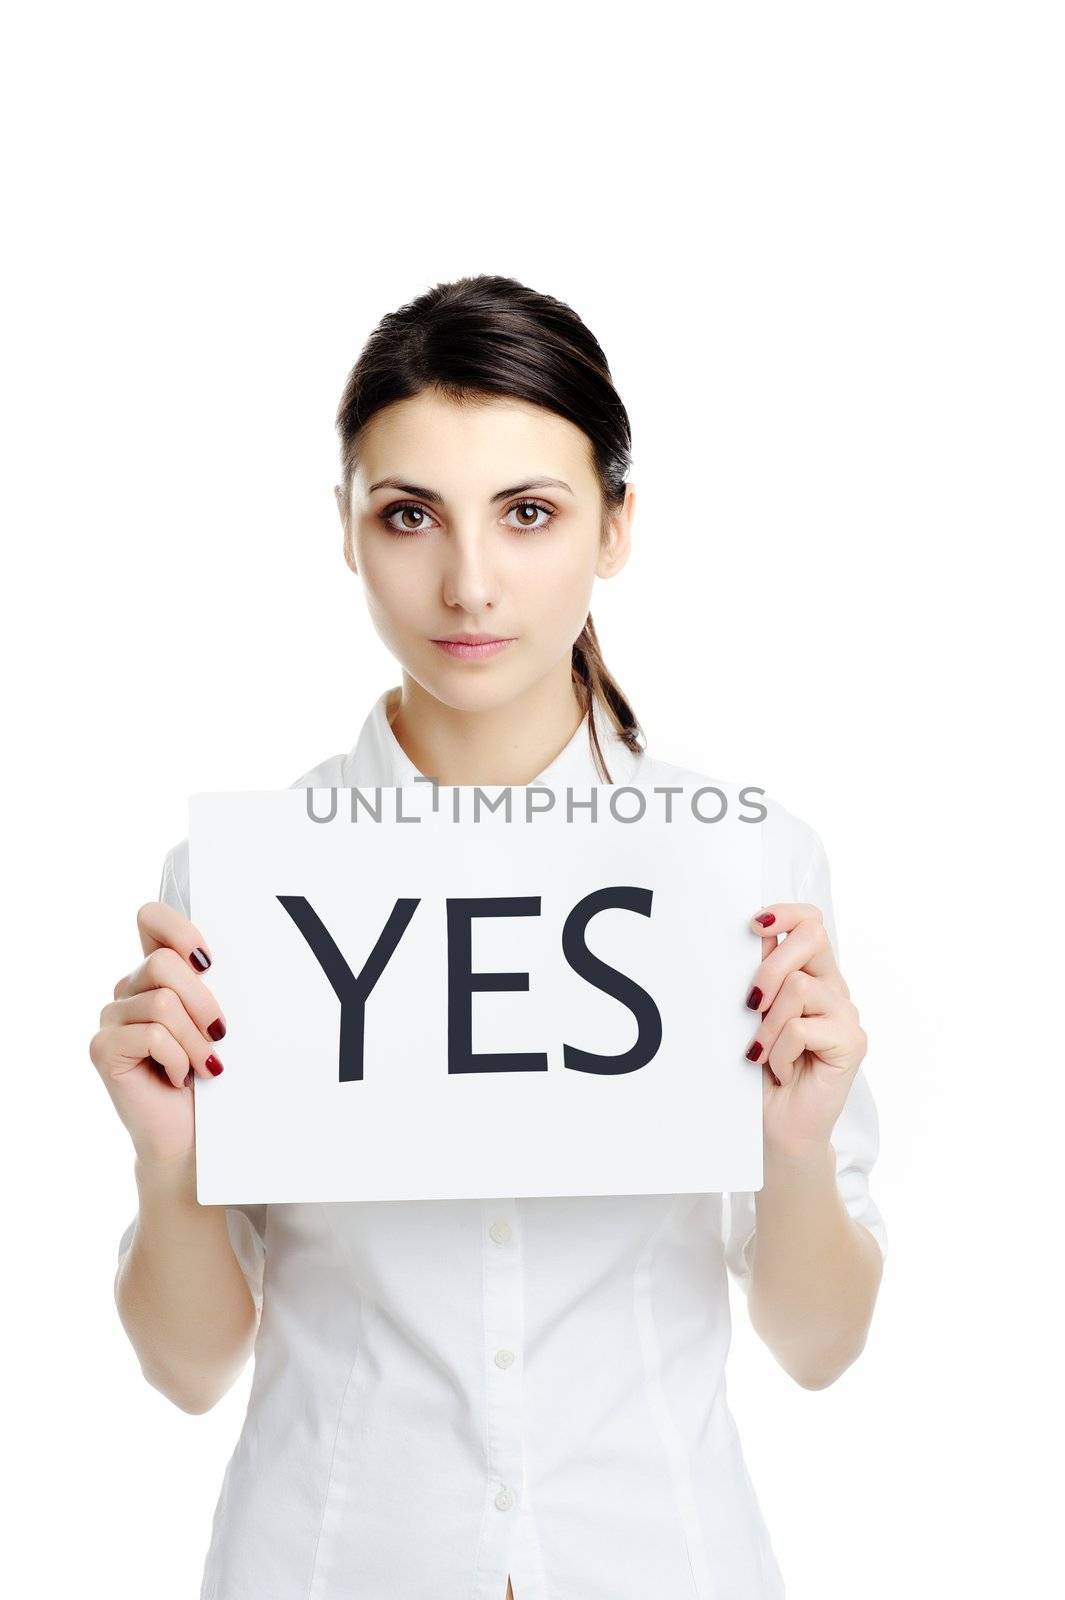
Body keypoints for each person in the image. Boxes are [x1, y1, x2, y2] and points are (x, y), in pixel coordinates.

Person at [94, 274, 887, 1600]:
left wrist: (794, 1153)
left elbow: (816, 1346)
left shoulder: (744, 869)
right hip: (326, 1561)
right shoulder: (243, 882)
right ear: (347, 532)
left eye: (528, 513)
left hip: (659, 1560)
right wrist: (172, 1166)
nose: (467, 582)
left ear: (615, 525)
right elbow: (187, 1372)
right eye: (409, 514)